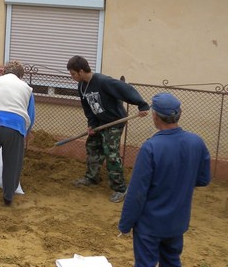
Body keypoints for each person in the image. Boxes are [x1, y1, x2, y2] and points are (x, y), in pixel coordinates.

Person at [118, 92, 211, 267]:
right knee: (171, 261)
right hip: (177, 222)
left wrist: (125, 224)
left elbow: (137, 192)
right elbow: (204, 179)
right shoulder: (196, 142)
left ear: (155, 116)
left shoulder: (151, 147)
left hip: (150, 225)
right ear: (179, 113)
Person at [67, 55, 151, 203]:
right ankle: (92, 177)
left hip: (115, 121)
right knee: (92, 146)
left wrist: (142, 105)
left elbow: (125, 89)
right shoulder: (81, 86)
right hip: (99, 122)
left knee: (110, 152)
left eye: (73, 73)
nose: (72, 76)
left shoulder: (103, 81)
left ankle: (120, 188)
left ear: (80, 71)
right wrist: (91, 124)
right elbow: (88, 107)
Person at [0, 60, 35, 206]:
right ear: (20, 76)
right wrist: (25, 132)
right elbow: (31, 115)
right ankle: (8, 197)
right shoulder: (27, 88)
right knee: (12, 163)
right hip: (14, 125)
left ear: (4, 71)